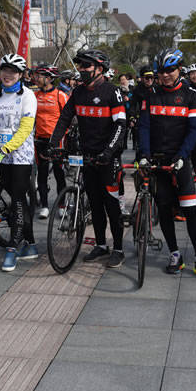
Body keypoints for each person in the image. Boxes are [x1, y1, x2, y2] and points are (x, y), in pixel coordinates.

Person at [49, 48, 128, 267]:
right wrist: (54, 144)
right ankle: (101, 245)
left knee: (111, 206)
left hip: (108, 158)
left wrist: (109, 152)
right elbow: (65, 119)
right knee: (94, 203)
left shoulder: (113, 92)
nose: (81, 70)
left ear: (99, 69)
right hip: (87, 156)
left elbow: (120, 126)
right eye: (80, 66)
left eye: (86, 66)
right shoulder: (78, 93)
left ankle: (119, 249)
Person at [137, 48, 196, 278]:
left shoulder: (191, 95)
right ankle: (175, 253)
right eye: (162, 71)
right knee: (165, 209)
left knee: (190, 211)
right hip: (158, 162)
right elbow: (144, 127)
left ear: (180, 69)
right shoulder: (151, 95)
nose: (165, 75)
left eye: (170, 70)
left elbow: (194, 129)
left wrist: (182, 155)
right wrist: (144, 155)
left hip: (180, 161)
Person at [0, 54, 39, 271]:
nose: (7, 75)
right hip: (1, 156)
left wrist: (6, 148)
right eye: (4, 71)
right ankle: (32, 245)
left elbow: (26, 129)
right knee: (18, 201)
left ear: (20, 75)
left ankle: (12, 249)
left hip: (20, 157)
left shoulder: (28, 96)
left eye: (13, 72)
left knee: (17, 200)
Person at [33, 63, 69, 219]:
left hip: (57, 140)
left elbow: (68, 117)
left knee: (59, 172)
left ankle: (62, 205)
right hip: (40, 138)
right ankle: (45, 206)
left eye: (40, 76)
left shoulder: (60, 95)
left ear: (49, 78)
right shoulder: (35, 95)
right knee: (41, 173)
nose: (37, 79)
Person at [128, 65, 156, 154]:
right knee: (141, 143)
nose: (150, 80)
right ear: (142, 78)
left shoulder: (158, 88)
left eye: (152, 78)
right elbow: (132, 104)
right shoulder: (138, 89)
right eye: (147, 78)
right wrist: (132, 117)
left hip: (156, 119)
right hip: (142, 119)